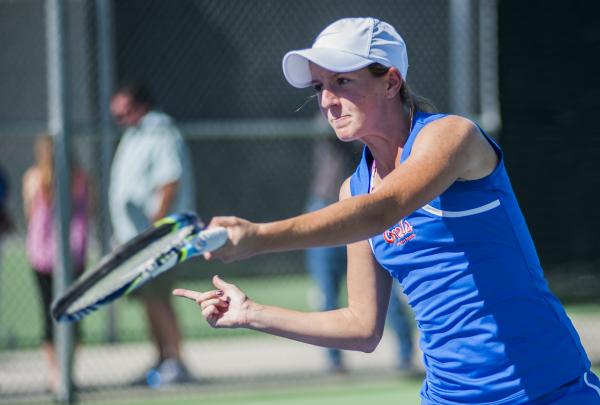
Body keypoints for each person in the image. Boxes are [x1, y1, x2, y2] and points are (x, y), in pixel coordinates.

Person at [173, 17, 600, 404]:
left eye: (342, 81)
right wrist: (253, 313)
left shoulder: (452, 137)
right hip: (449, 397)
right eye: (319, 87)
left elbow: (385, 209)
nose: (327, 101)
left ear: (391, 81)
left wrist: (259, 237)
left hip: (548, 390)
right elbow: (361, 327)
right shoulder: (353, 190)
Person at [109, 80, 195, 387]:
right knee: (148, 299)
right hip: (135, 241)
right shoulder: (135, 133)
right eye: (116, 116)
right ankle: (161, 361)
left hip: (157, 240)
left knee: (159, 298)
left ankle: (175, 362)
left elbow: (169, 181)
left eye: (125, 112)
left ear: (142, 106)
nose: (120, 119)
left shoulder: (159, 131)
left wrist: (155, 231)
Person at [305, 137, 415, 373]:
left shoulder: (380, 132)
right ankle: (334, 363)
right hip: (325, 204)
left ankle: (406, 358)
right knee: (327, 293)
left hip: (366, 206)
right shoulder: (332, 114)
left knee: (384, 294)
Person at [22, 134, 90, 394]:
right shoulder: (81, 179)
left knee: (51, 316)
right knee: (71, 314)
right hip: (70, 254)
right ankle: (65, 376)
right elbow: (89, 211)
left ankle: (57, 377)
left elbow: (30, 214)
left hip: (47, 256)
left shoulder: (35, 178)